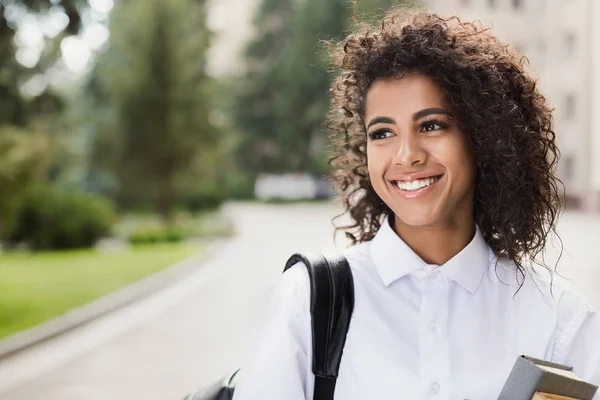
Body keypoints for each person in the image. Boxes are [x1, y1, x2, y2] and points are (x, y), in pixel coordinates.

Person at [232, 9, 600, 400]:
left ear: (483, 137)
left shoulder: (560, 319)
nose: (406, 155)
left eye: (431, 125)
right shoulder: (308, 299)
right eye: (383, 133)